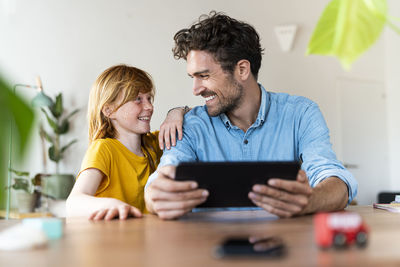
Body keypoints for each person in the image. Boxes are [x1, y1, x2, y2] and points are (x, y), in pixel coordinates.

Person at [144, 11, 358, 220]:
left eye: (204, 76)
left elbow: (336, 180)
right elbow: (160, 180)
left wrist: (309, 200)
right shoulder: (189, 125)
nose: (195, 89)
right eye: (193, 77)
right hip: (206, 248)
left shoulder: (301, 113)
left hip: (283, 245)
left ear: (242, 70)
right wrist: (155, 197)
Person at [66, 64, 186, 220]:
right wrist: (111, 204)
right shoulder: (103, 149)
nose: (149, 106)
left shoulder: (155, 143)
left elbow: (194, 118)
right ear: (109, 110)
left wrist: (175, 113)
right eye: (138, 99)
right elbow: (73, 203)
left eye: (149, 98)